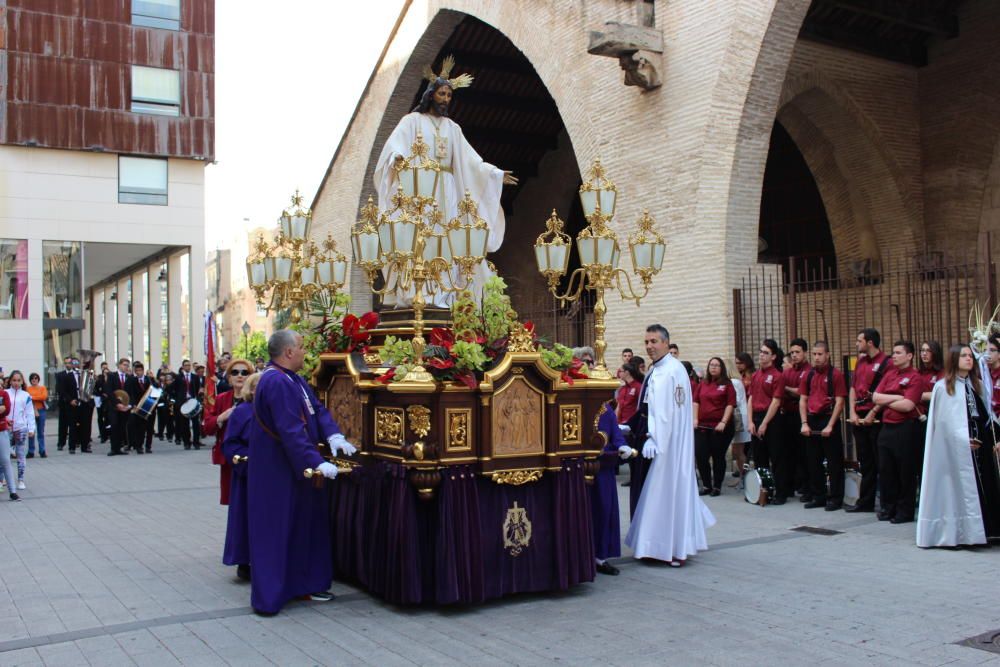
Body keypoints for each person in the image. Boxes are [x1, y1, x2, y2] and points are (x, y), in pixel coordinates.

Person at [373, 57, 515, 307]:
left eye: (449, 95)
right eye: (441, 93)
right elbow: (395, 147)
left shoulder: (453, 128)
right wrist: (397, 158)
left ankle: (449, 292)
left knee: (451, 239)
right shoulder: (411, 121)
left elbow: (471, 161)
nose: (446, 99)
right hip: (420, 191)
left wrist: (494, 174)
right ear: (431, 94)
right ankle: (420, 290)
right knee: (422, 238)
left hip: (448, 194)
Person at [247, 330, 357, 615]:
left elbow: (316, 410)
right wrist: (315, 461)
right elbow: (290, 429)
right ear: (288, 352)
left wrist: (334, 436)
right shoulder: (276, 382)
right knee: (276, 530)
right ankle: (270, 597)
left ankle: (303, 585)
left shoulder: (292, 379)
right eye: (302, 348)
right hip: (277, 473)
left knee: (302, 527)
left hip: (294, 469)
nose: (305, 353)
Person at [625, 324, 715, 565]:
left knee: (664, 492)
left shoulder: (673, 370)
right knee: (647, 490)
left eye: (654, 341)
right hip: (649, 434)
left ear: (666, 342)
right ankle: (651, 544)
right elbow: (649, 405)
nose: (649, 346)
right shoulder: (658, 369)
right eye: (646, 342)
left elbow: (670, 412)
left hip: (666, 442)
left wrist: (657, 438)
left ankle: (670, 547)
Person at [917, 344, 1000, 547]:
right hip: (956, 450)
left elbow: (984, 416)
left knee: (985, 487)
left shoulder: (977, 385)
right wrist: (963, 441)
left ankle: (986, 531)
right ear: (954, 359)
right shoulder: (943, 387)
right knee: (959, 491)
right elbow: (943, 424)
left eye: (971, 356)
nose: (968, 359)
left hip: (980, 447)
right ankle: (963, 534)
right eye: (963, 356)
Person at [871, 341, 923, 524]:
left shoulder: (915, 377)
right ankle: (888, 508)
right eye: (893, 352)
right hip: (887, 427)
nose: (894, 355)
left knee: (905, 471)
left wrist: (887, 400)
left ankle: (905, 511)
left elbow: (908, 405)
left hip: (906, 428)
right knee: (886, 469)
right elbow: (875, 396)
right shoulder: (889, 374)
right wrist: (896, 397)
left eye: (898, 352)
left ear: (909, 356)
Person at [799, 341, 848, 510]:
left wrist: (831, 425)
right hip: (812, 420)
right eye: (814, 354)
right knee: (813, 461)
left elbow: (841, 402)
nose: (817, 357)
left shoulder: (836, 375)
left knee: (834, 463)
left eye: (820, 354)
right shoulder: (808, 375)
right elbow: (803, 399)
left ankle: (835, 498)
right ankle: (818, 496)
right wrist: (804, 423)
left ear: (827, 354)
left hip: (828, 418)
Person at [221, 371, 260, 582]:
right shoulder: (242, 412)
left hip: (267, 475)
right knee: (244, 518)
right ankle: (244, 562)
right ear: (252, 390)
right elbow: (230, 443)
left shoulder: (271, 410)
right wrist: (247, 459)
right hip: (247, 474)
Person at [846, 328, 888, 513]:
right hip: (859, 416)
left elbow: (887, 391)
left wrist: (873, 412)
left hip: (877, 417)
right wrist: (853, 412)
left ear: (870, 342)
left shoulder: (886, 363)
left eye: (859, 340)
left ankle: (886, 503)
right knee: (865, 462)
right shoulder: (861, 362)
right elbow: (853, 388)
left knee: (882, 462)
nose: (856, 344)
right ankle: (866, 502)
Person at [202, 358, 253, 505]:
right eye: (235, 372)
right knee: (232, 500)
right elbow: (207, 427)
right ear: (229, 377)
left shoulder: (255, 400)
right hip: (228, 458)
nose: (240, 376)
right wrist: (221, 417)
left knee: (250, 499)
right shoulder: (221, 399)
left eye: (245, 372)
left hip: (250, 457)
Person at [748, 339, 787, 503]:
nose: (761, 356)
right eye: (761, 352)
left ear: (773, 357)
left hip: (772, 419)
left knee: (776, 457)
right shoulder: (756, 375)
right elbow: (750, 398)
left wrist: (764, 423)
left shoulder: (777, 376)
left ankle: (781, 493)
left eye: (766, 353)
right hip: (756, 417)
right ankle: (762, 491)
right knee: (759, 458)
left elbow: (776, 401)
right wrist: (750, 421)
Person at [593, 400, 628, 575]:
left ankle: (600, 556)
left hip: (603, 468)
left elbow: (615, 432)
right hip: (579, 467)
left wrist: (622, 445)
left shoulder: (606, 409)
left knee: (604, 509)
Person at [693, 357, 736, 497]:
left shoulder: (727, 384)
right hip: (702, 426)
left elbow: (730, 404)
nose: (714, 367)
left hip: (720, 427)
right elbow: (696, 402)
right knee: (701, 455)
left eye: (717, 365)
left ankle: (717, 486)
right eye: (711, 365)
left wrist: (723, 422)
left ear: (722, 368)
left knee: (718, 456)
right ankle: (706, 485)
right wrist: (695, 418)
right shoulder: (703, 383)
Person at [782, 338, 810, 498]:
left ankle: (806, 486)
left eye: (797, 352)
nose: (794, 355)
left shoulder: (809, 371)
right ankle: (791, 485)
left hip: (802, 415)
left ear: (804, 353)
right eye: (792, 352)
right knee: (789, 452)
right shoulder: (788, 371)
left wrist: (786, 388)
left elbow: (801, 393)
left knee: (804, 453)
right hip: (787, 415)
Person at [916, 341, 944, 486]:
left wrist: (914, 395)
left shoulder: (942, 373)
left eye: (928, 350)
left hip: (934, 420)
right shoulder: (918, 373)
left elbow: (939, 394)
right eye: (922, 350)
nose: (924, 353)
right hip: (918, 420)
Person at [729, 352, 755, 485]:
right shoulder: (740, 378)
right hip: (744, 413)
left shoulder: (748, 378)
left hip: (746, 414)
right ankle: (743, 476)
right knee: (739, 450)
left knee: (741, 450)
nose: (738, 365)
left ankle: (746, 478)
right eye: (736, 363)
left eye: (740, 362)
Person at [5, 371, 34, 490]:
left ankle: (21, 480)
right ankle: (2, 480)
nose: (16, 383)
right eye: (14, 380)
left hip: (20, 428)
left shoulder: (26, 395)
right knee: (4, 456)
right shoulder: (5, 393)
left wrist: (31, 428)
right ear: (10, 381)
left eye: (18, 380)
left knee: (20, 455)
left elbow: (30, 413)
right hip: (6, 429)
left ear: (22, 381)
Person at [125, 362, 157, 454]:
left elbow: (157, 391)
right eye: (136, 371)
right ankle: (139, 446)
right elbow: (128, 393)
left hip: (150, 407)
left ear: (143, 371)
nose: (138, 372)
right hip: (138, 407)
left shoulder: (150, 379)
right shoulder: (131, 380)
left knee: (150, 428)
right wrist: (132, 404)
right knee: (139, 428)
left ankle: (148, 446)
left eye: (140, 370)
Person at [170, 359, 201, 449]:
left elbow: (198, 389)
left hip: (193, 402)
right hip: (183, 403)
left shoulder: (195, 377)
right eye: (186, 365)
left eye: (189, 365)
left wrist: (197, 398)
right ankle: (187, 443)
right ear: (183, 367)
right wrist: (176, 399)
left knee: (196, 424)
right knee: (185, 424)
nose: (188, 367)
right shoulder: (178, 377)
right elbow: (171, 388)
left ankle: (196, 442)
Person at [104, 358, 132, 456]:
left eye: (127, 365)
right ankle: (113, 448)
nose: (126, 367)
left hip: (125, 408)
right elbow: (109, 391)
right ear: (119, 365)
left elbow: (131, 393)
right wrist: (117, 404)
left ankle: (119, 448)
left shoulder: (130, 377)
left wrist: (129, 405)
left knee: (122, 427)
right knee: (114, 426)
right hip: (114, 407)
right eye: (124, 365)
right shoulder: (112, 376)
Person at [0, 390, 19, 501]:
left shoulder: (3, 394)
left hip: (2, 431)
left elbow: (6, 410)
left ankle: (13, 492)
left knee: (5, 460)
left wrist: (3, 409)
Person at [26, 372, 48, 458]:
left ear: (38, 379)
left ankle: (42, 450)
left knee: (40, 431)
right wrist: (36, 397)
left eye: (36, 378)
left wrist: (32, 397)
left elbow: (44, 397)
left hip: (41, 410)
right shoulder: (27, 389)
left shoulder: (42, 388)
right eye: (32, 378)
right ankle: (31, 451)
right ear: (30, 380)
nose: (34, 380)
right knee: (31, 431)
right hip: (30, 410)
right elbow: (27, 398)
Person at [55, 356, 74, 450]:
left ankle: (72, 444)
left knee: (72, 424)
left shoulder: (76, 374)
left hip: (73, 404)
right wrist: (69, 399)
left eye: (69, 363)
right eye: (66, 363)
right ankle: (61, 443)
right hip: (64, 403)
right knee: (62, 424)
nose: (67, 365)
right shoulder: (59, 375)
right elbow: (60, 389)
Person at [615, 360, 642, 425]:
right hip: (620, 424)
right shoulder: (622, 389)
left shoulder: (638, 387)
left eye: (620, 371)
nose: (619, 373)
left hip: (632, 425)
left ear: (626, 372)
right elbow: (618, 407)